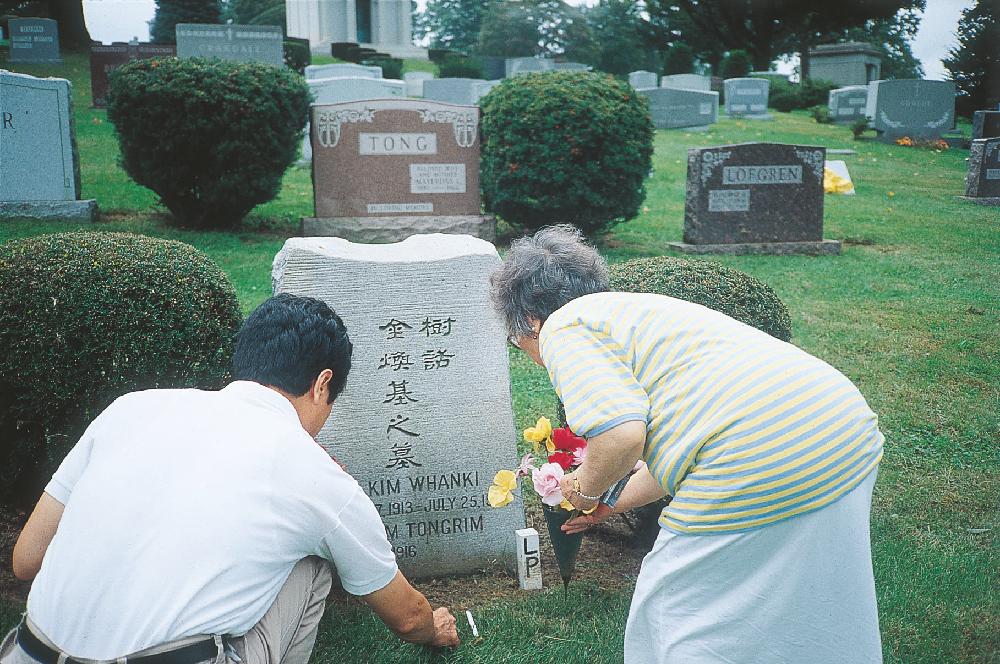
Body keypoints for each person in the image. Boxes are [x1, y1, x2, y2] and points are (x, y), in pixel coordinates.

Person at [492, 225, 884, 664]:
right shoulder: (634, 312)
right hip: (843, 428)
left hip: (758, 451)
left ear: (528, 319)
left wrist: (582, 490)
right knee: (807, 595)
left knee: (675, 606)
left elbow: (621, 438)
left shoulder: (563, 327)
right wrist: (611, 503)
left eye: (516, 340)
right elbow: (679, 456)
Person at [3, 293, 459, 664]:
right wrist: (434, 629)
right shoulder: (313, 471)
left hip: (28, 653)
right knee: (314, 561)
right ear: (323, 385)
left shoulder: (130, 408)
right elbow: (406, 617)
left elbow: (26, 559)